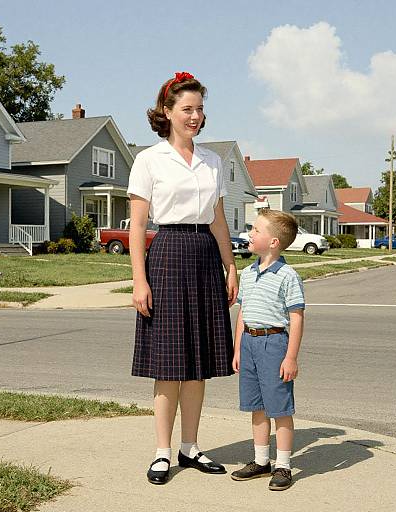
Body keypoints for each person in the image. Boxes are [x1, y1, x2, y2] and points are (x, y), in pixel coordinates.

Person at [127, 72, 238, 485]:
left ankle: (190, 448)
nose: (195, 116)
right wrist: (140, 280)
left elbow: (219, 220)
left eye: (200, 109)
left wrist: (230, 266)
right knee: (169, 363)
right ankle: (161, 452)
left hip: (205, 255)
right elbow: (138, 226)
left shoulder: (213, 160)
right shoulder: (148, 160)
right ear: (167, 112)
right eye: (187, 109)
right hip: (168, 253)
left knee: (198, 366)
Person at [230, 209, 305, 491]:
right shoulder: (248, 274)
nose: (250, 233)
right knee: (257, 407)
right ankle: (261, 461)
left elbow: (296, 317)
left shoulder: (288, 276)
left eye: (256, 230)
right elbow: (243, 314)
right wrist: (238, 349)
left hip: (275, 345)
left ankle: (283, 465)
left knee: (280, 408)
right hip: (249, 343)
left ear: (273, 241)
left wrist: (291, 356)